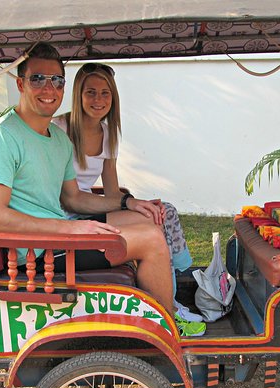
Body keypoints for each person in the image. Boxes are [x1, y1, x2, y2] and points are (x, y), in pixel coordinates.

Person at [0, 43, 205, 336]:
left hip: (59, 239)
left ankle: (158, 310)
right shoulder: (0, 137)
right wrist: (69, 230)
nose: (49, 88)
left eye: (57, 80)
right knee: (151, 240)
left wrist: (126, 204)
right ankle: (166, 329)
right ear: (20, 83)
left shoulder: (57, 138)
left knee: (151, 222)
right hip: (33, 253)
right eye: (38, 79)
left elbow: (74, 198)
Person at [53, 62, 202, 325]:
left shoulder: (108, 132)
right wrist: (129, 203)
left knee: (161, 212)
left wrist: (135, 205)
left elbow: (112, 190)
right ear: (78, 94)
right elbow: (69, 197)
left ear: (113, 97)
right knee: (153, 227)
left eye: (105, 93)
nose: (98, 99)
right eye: (91, 92)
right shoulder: (60, 129)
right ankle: (171, 307)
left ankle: (177, 284)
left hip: (89, 208)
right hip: (69, 216)